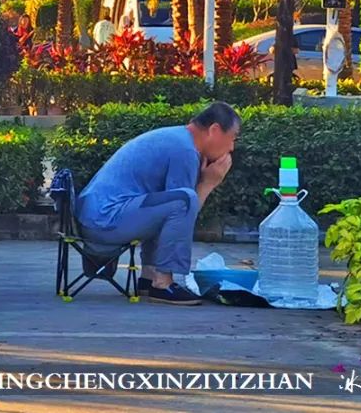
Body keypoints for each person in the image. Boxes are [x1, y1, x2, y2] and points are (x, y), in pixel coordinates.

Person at [76, 102, 240, 306]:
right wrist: (208, 183)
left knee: (167, 201)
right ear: (215, 130)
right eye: (233, 137)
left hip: (96, 218)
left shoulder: (179, 139)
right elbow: (185, 211)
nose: (232, 147)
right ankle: (163, 283)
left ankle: (149, 277)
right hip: (105, 221)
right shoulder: (186, 150)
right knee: (183, 200)